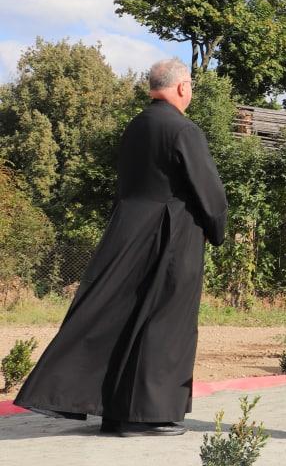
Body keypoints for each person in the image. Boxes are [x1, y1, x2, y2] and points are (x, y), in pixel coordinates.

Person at [15, 58, 228, 436]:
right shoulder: (183, 129)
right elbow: (209, 191)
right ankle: (145, 415)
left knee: (120, 315)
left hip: (128, 229)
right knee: (164, 323)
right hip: (171, 236)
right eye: (191, 86)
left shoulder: (137, 126)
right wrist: (217, 229)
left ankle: (113, 412)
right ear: (181, 87)